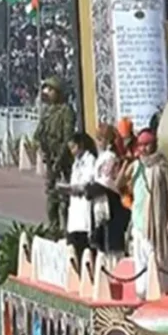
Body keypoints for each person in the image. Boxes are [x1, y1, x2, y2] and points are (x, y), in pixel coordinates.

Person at [118, 129, 168, 300]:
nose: (144, 148)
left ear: (155, 144)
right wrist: (127, 162)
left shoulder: (163, 166)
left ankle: (161, 293)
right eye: (141, 145)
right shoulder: (136, 166)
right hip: (139, 221)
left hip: (157, 222)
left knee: (156, 259)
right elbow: (118, 183)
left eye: (147, 144)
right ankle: (142, 295)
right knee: (140, 261)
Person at [34, 77, 76, 232]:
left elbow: (68, 137)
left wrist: (59, 160)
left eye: (51, 90)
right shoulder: (47, 111)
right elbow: (38, 134)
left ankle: (67, 228)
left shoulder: (66, 111)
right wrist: (41, 148)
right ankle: (54, 227)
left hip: (63, 160)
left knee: (65, 196)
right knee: (51, 196)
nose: (47, 93)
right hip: (50, 159)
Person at [89, 124, 128, 259]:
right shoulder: (101, 157)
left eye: (100, 139)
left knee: (111, 240)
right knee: (101, 240)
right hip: (99, 200)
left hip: (110, 199)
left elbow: (107, 180)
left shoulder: (111, 157)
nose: (98, 143)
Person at [58, 133, 96, 265]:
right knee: (73, 243)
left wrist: (73, 188)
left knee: (84, 244)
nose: (72, 151)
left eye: (73, 147)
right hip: (75, 208)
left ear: (81, 145)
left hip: (84, 205)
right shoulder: (76, 163)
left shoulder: (90, 160)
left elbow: (88, 181)